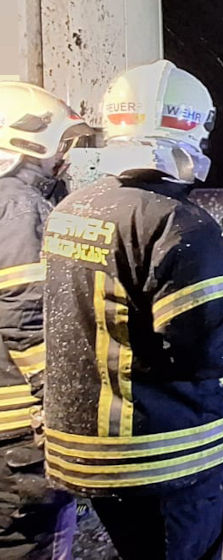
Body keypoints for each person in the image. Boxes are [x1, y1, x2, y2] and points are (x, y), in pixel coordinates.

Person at [40, 60, 223, 560]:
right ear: (194, 127)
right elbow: (209, 353)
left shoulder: (73, 209)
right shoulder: (178, 223)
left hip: (87, 447)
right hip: (160, 456)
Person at [0, 81, 90, 560]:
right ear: (28, 142)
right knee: (30, 544)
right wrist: (58, 405)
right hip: (15, 428)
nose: (67, 157)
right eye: (63, 144)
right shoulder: (20, 207)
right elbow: (28, 313)